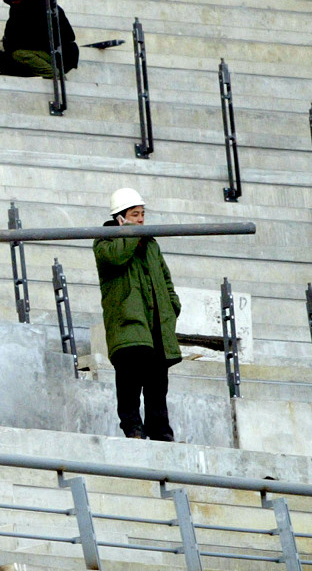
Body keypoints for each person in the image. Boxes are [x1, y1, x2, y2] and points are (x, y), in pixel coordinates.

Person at [93, 188, 181, 441]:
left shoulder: (152, 245)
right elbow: (116, 258)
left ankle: (161, 433)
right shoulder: (104, 241)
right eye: (135, 214)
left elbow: (166, 280)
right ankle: (132, 429)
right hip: (128, 327)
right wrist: (129, 234)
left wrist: (173, 307)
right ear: (120, 217)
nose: (141, 219)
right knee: (129, 381)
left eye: (142, 214)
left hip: (156, 327)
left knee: (157, 385)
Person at [0, 0, 78, 79]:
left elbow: (17, 43)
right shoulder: (19, 8)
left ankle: (55, 76)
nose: (14, 2)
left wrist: (6, 55)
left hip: (62, 56)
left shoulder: (43, 8)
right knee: (16, 56)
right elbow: (10, 37)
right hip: (45, 53)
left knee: (19, 54)